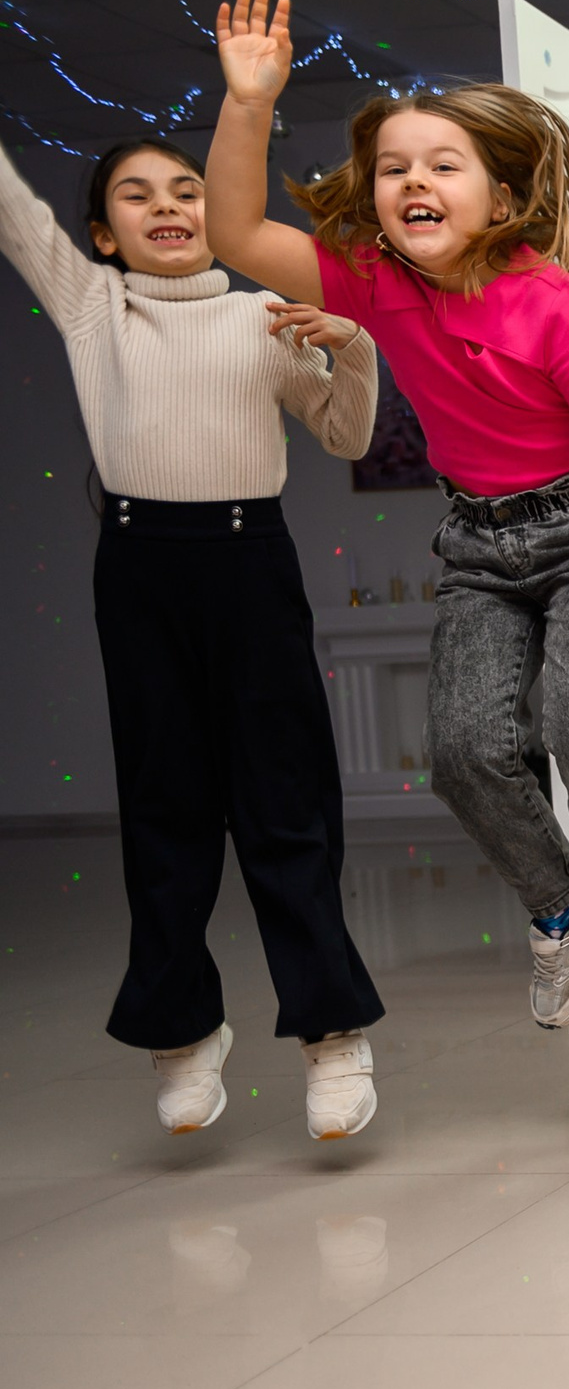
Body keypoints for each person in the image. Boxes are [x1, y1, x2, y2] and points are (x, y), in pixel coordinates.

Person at [207, 0, 569, 1049]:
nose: (412, 180)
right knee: (464, 750)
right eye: (393, 169)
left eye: (442, 165)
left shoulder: (553, 307)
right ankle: (561, 912)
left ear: (502, 200)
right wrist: (249, 102)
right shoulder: (372, 285)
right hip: (477, 543)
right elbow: (233, 231)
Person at [1, 133, 386, 1140]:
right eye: (137, 196)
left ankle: (332, 1033)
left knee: (283, 810)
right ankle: (184, 1032)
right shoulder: (93, 306)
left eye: (184, 189)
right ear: (102, 233)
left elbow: (345, 434)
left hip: (249, 563)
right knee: (164, 810)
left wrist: (351, 349)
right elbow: (15, 210)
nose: (167, 205)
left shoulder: (264, 314)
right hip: (139, 571)